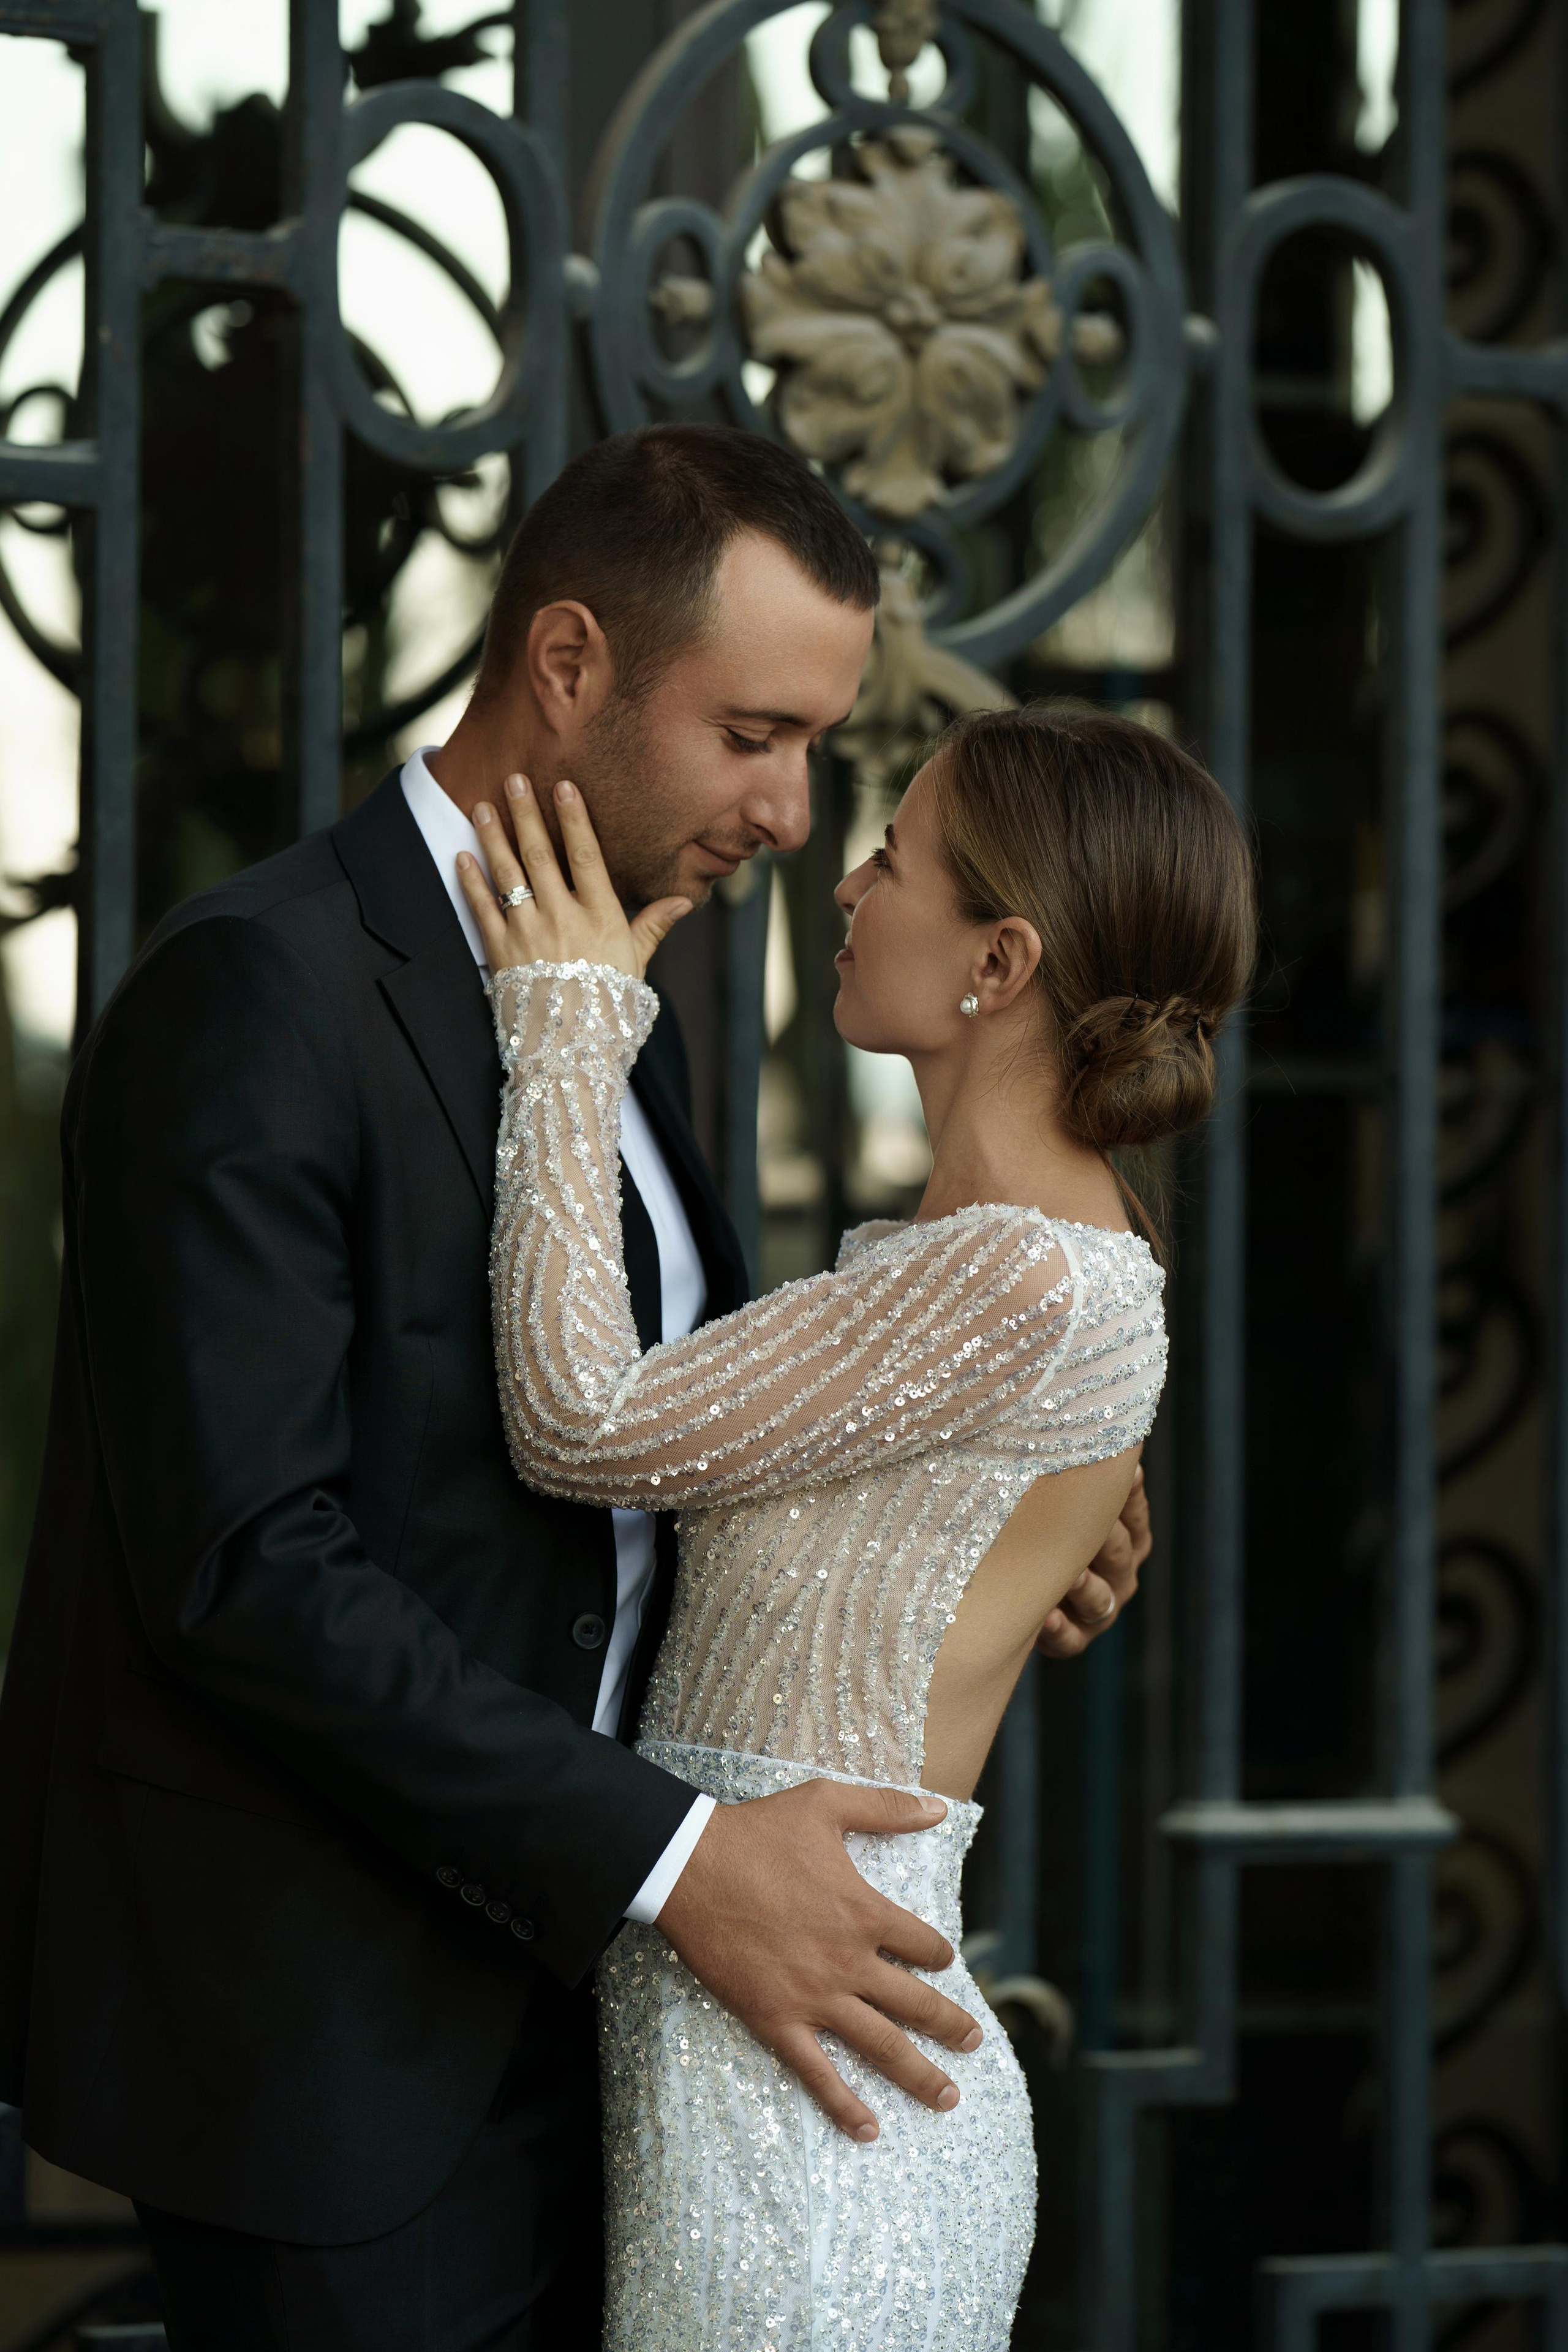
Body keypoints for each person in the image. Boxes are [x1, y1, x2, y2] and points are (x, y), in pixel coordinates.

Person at [0, 426, 1141, 2352]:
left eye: (817, 754)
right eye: (756, 735)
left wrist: (968, 1516)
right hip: (344, 2059)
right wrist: (679, 1859)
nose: (793, 814)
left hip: (632, 2041)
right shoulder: (258, 991)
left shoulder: (619, 993)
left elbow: (651, 1450)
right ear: (570, 667)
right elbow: (248, 1569)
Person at [456, 696, 1254, 2349]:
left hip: (815, 2108)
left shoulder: (1019, 1271)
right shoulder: (1001, 1263)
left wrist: (570, 1026)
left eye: (895, 856)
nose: (845, 879)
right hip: (776, 2049)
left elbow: (577, 1419)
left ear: (1000, 964)